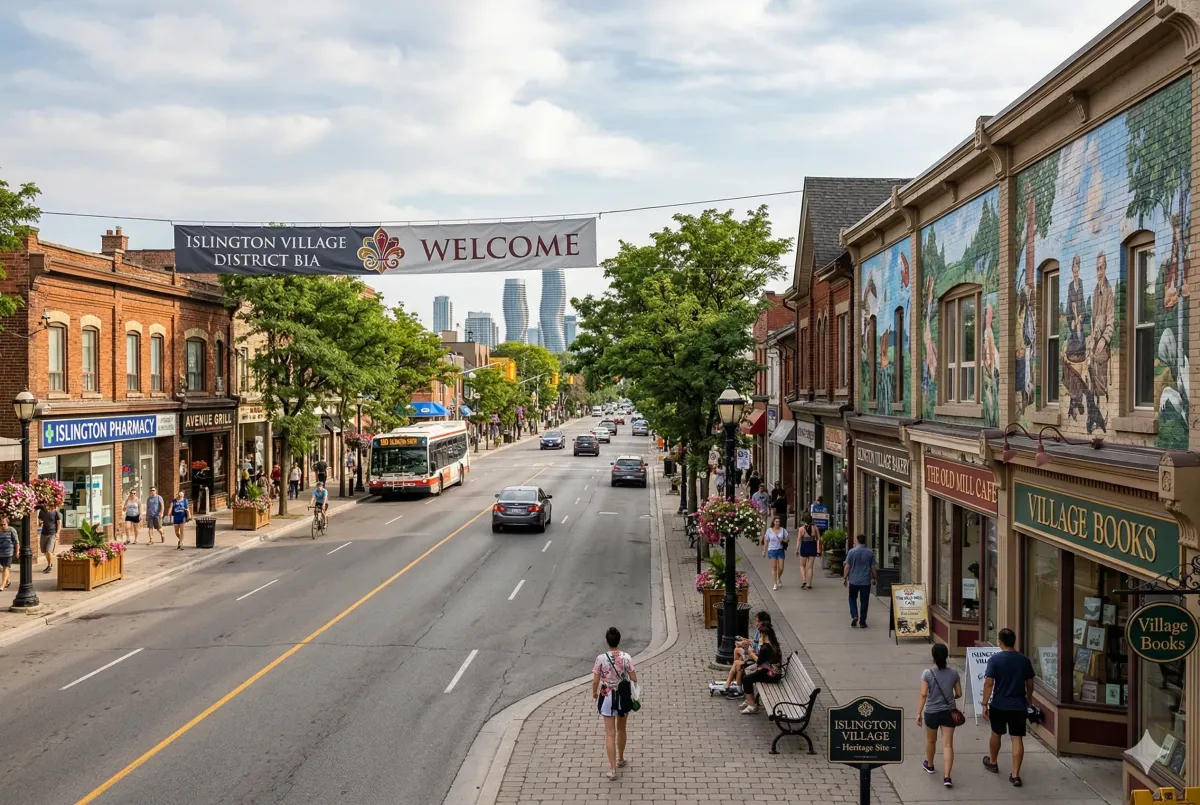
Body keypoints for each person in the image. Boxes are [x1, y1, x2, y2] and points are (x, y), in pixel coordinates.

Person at [981, 628, 1035, 787]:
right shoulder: (1024, 660)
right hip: (1018, 705)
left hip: (999, 704)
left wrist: (984, 703)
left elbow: (989, 683)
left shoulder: (995, 660)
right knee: (1017, 738)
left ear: (1000, 642)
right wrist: (1029, 699)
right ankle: (1016, 775)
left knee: (996, 733)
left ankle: (993, 762)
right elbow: (1030, 683)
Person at [592, 626, 638, 780]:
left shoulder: (600, 658)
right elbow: (633, 678)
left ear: (606, 641)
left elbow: (596, 680)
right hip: (623, 697)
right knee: (622, 729)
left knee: (609, 733)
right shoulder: (626, 657)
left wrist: (595, 693)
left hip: (606, 696)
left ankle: (612, 769)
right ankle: (621, 758)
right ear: (619, 640)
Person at [917, 643, 962, 788]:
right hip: (948, 713)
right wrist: (950, 698)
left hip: (931, 712)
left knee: (931, 741)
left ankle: (930, 765)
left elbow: (924, 694)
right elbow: (959, 693)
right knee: (948, 744)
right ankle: (947, 776)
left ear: (933, 656)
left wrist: (918, 712)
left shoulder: (927, 673)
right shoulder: (954, 673)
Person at [719, 610, 770, 698]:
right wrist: (744, 640)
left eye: (757, 621)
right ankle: (735, 680)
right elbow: (756, 642)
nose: (755, 622)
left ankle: (735, 688)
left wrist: (747, 649)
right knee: (737, 652)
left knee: (738, 664)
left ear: (762, 623)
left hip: (759, 661)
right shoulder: (760, 632)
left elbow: (758, 653)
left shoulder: (765, 636)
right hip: (757, 657)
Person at [739, 621, 780, 714]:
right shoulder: (772, 641)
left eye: (760, 634)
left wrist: (750, 653)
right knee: (746, 671)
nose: (759, 637)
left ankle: (752, 706)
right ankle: (750, 699)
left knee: (746, 679)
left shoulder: (766, 647)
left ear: (763, 633)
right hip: (771, 671)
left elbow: (759, 661)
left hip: (771, 675)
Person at [843, 533, 877, 627]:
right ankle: (862, 621)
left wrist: (845, 578)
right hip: (865, 581)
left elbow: (847, 566)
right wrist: (875, 578)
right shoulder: (869, 552)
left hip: (853, 580)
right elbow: (873, 567)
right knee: (864, 601)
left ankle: (854, 615)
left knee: (852, 598)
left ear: (857, 541)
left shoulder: (851, 552)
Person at [762, 516, 789, 591]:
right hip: (772, 550)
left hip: (780, 550)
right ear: (773, 522)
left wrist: (783, 540)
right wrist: (764, 550)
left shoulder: (783, 530)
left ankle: (778, 577)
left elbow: (787, 538)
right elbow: (766, 541)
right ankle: (774, 583)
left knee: (781, 567)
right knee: (774, 567)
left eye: (779, 522)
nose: (778, 523)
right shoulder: (769, 531)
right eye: (776, 522)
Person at [794, 512, 819, 589]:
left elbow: (798, 540)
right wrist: (818, 549)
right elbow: (819, 539)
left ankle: (804, 580)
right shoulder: (815, 527)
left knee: (802, 565)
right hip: (812, 547)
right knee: (810, 567)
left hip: (804, 547)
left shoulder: (801, 529)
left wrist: (797, 549)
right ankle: (809, 583)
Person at [38, 502, 61, 573]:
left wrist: (57, 533)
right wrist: (40, 523)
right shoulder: (41, 512)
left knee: (49, 551)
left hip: (52, 534)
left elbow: (59, 523)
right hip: (43, 533)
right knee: (45, 552)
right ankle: (50, 564)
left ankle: (49, 565)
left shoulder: (55, 511)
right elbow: (39, 523)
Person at [0, 515, 17, 591]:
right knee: (3, 569)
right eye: (1, 524)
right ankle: (8, 580)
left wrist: (17, 551)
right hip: (0, 552)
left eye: (4, 524)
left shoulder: (11, 530)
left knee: (5, 568)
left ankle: (2, 585)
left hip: (8, 552)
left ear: (7, 523)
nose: (3, 526)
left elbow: (17, 542)